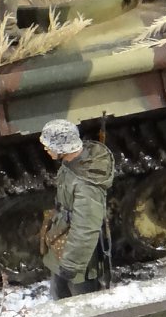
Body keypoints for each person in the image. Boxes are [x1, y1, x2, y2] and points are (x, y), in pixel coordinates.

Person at [38, 119, 115, 299]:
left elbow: (85, 228)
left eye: (50, 146)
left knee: (82, 302)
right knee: (59, 294)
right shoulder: (72, 163)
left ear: (63, 148)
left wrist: (71, 265)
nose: (46, 149)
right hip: (64, 241)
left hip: (79, 257)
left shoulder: (85, 185)